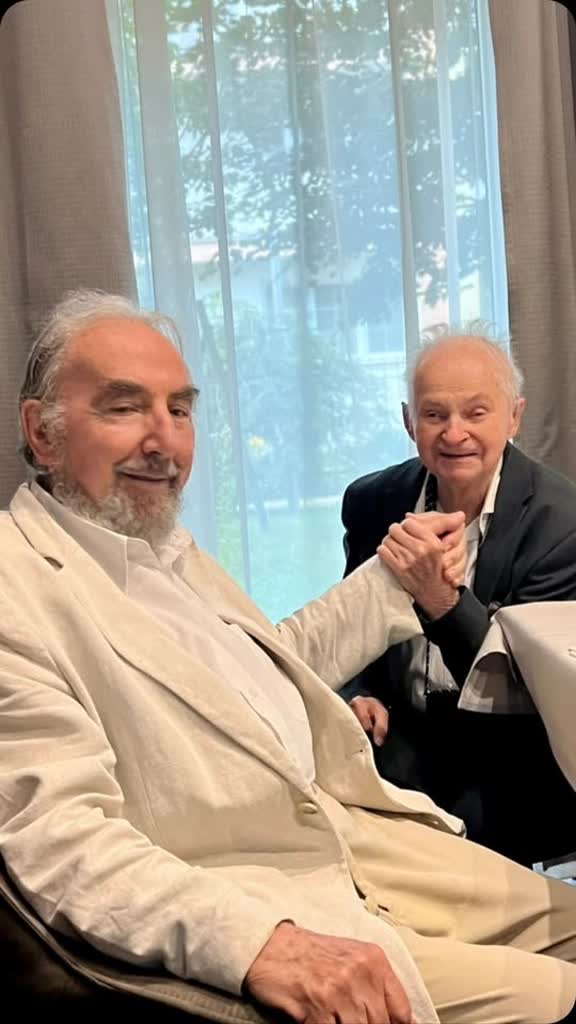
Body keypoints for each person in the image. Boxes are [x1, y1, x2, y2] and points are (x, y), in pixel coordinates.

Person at [0, 290, 575, 1024]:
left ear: (513, 419)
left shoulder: (161, 551)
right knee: (559, 998)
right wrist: (258, 944)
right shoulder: (16, 588)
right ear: (42, 433)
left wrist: (394, 582)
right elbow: (58, 840)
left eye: (180, 409)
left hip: (365, 839)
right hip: (271, 884)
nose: (164, 440)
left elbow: (265, 667)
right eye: (123, 407)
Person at [341, 326, 576, 865]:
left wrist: (441, 600)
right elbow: (351, 623)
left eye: (476, 413)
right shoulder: (371, 501)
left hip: (509, 758)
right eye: (434, 414)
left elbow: (527, 691)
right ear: (409, 422)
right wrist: (359, 689)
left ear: (513, 417)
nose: (454, 433)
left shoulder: (562, 523)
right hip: (402, 738)